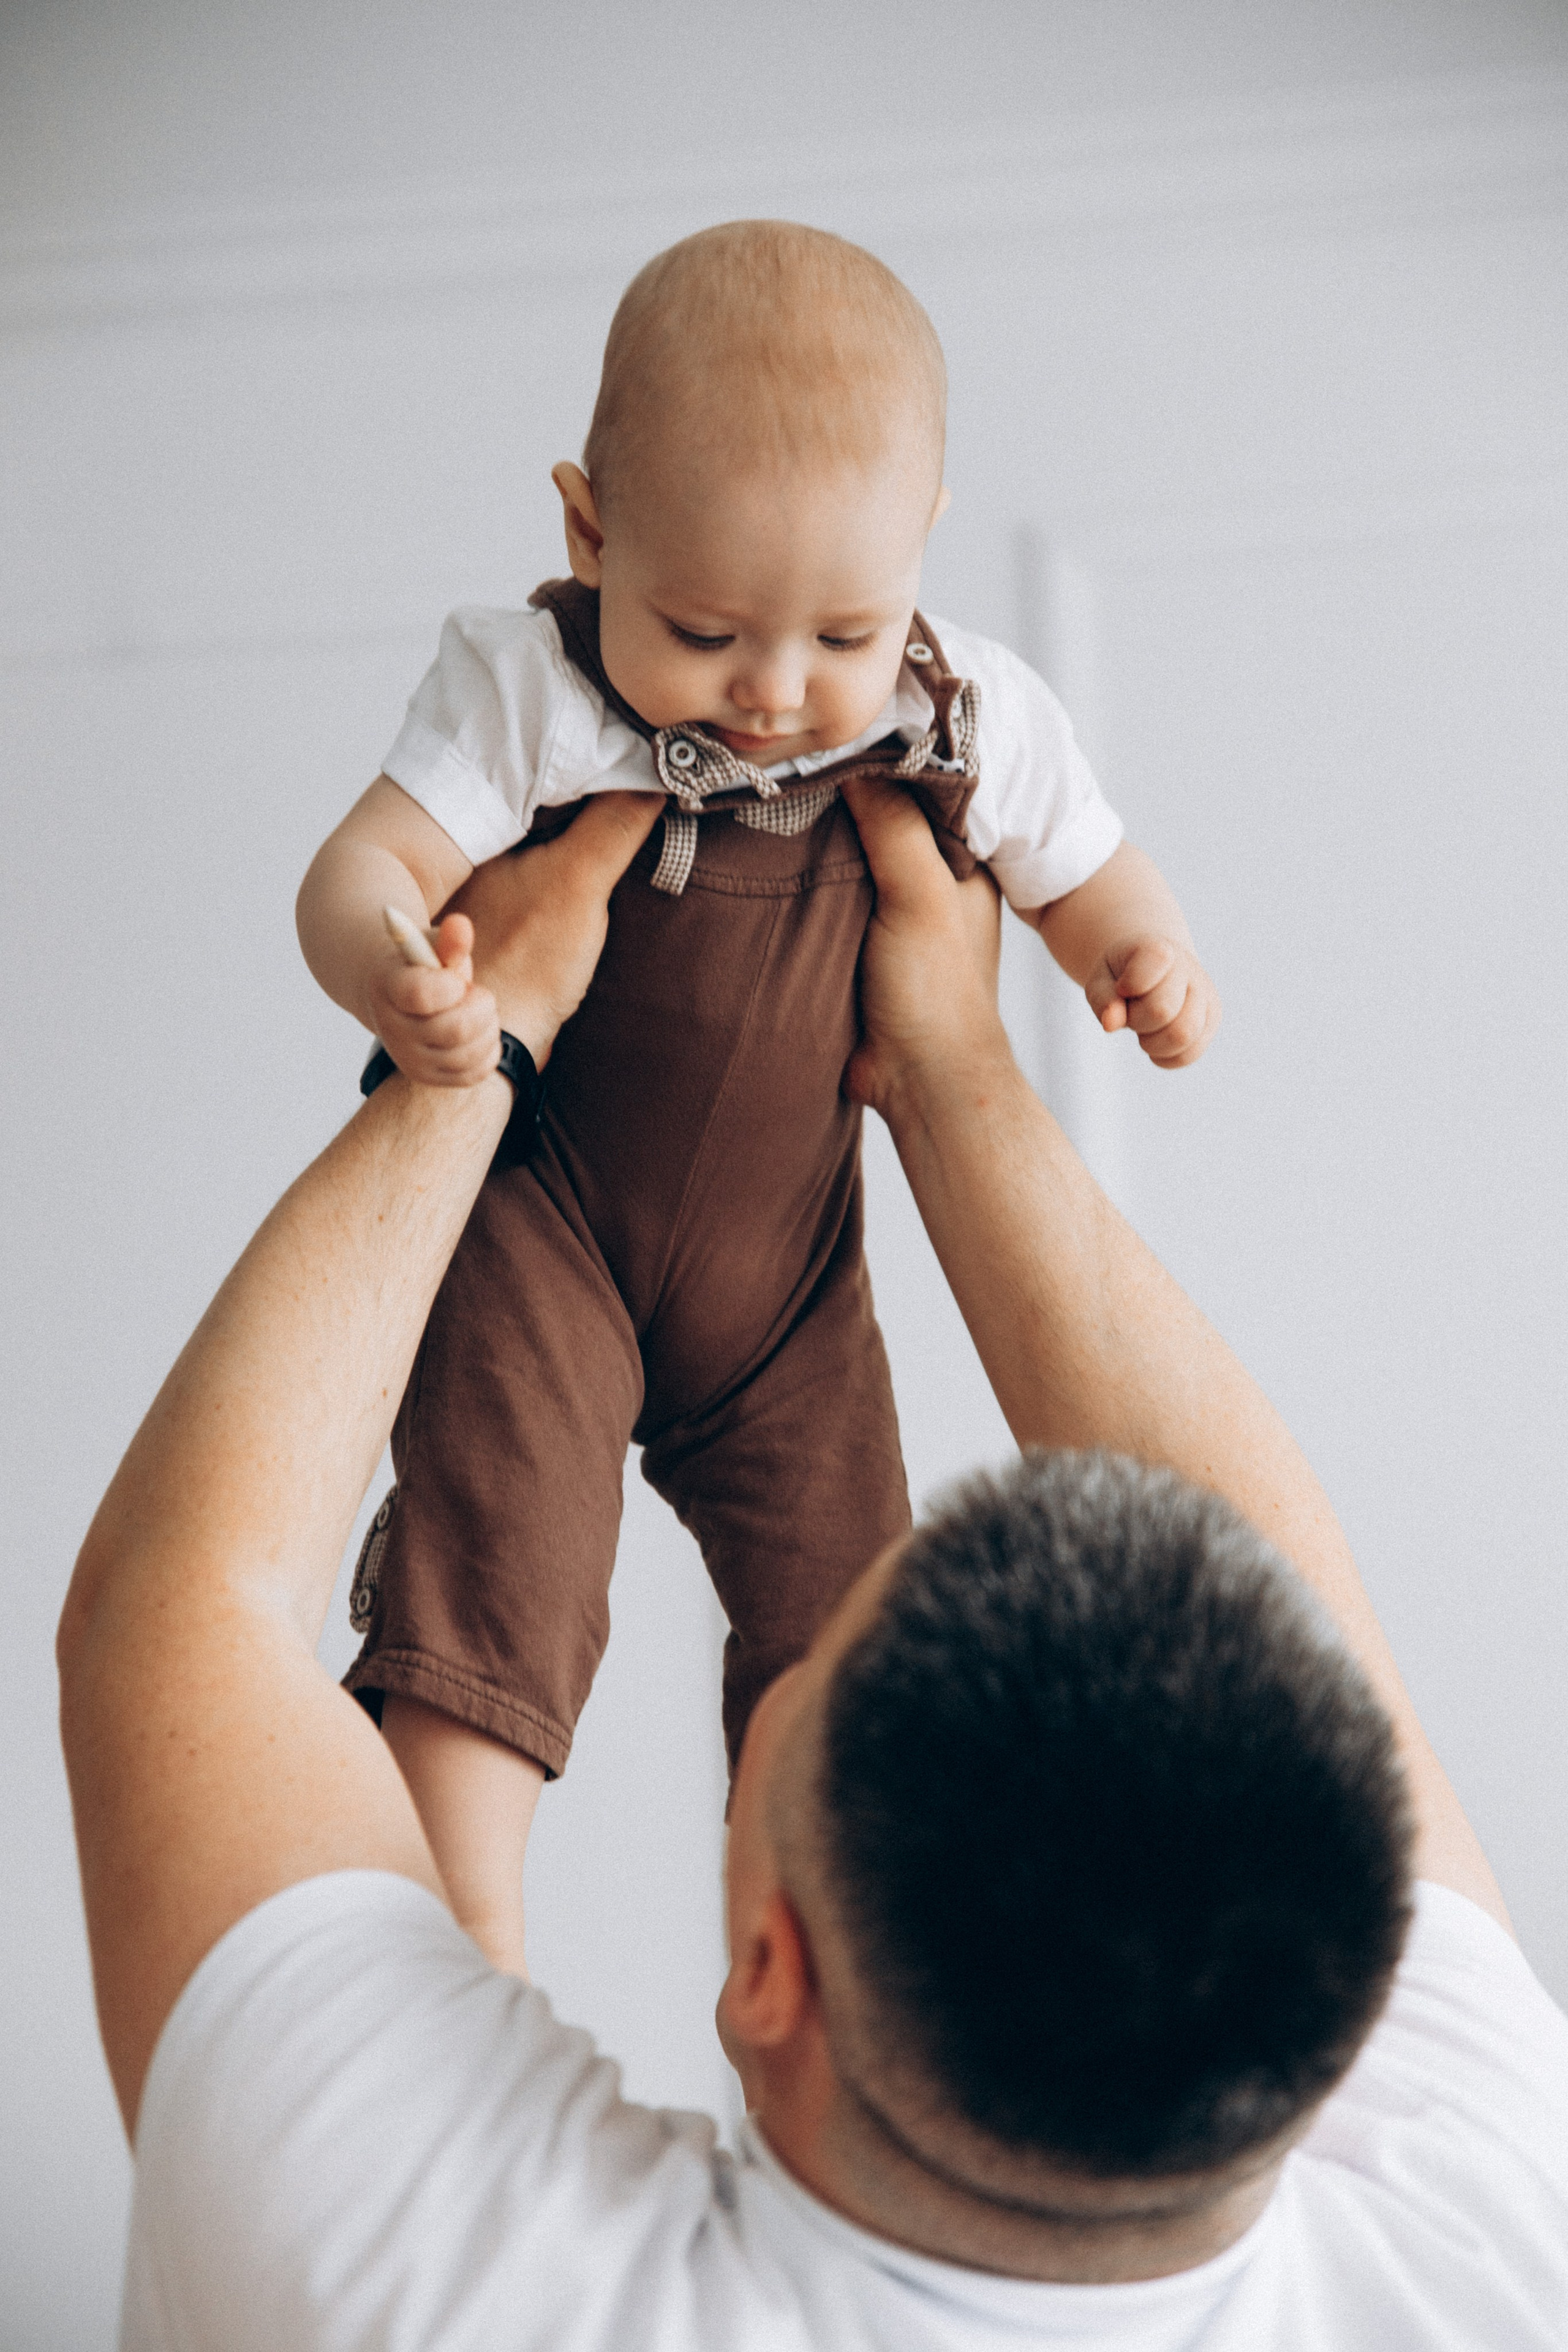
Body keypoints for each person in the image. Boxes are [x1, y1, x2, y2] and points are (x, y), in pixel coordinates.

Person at [61, 778, 1567, 2348]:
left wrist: (471, 1058)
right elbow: (1294, 1615)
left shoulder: (407, 2256)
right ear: (1343, 2018)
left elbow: (178, 1611)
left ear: (769, 1967)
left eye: (824, 1675)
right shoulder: (1500, 2230)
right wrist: (951, 1072)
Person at [293, 219, 1221, 1972]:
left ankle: (820, 1965)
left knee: (846, 1624)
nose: (781, 693)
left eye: (844, 632)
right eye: (706, 629)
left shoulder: (965, 712)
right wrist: (393, 964)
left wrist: (1138, 952)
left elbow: (1086, 865)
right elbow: (355, 868)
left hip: (788, 1283)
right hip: (546, 1226)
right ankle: (459, 1927)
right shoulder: (530, 690)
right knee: (498, 1573)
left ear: (919, 559)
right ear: (587, 533)